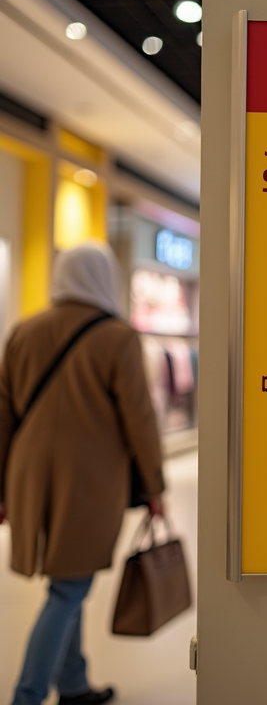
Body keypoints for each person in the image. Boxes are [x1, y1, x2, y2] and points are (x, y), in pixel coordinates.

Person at [0, 242, 165, 705]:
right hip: (87, 481)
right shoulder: (118, 337)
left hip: (28, 473)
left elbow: (3, 416)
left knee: (67, 578)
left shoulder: (24, 331)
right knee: (70, 588)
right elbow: (140, 418)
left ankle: (73, 683)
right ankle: (26, 696)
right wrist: (154, 484)